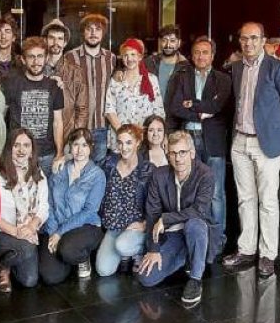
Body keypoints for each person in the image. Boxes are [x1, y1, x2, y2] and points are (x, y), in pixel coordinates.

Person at [223, 22, 280, 278]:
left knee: (267, 201)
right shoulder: (235, 68)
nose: (249, 43)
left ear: (263, 40)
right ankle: (246, 250)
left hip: (266, 145)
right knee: (245, 199)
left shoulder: (278, 68)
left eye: (254, 38)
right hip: (240, 142)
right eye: (244, 39)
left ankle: (267, 255)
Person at [137, 131, 216, 305]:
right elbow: (152, 214)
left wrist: (166, 219)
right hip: (173, 235)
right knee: (146, 278)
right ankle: (187, 257)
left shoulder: (205, 174)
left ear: (192, 153)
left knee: (194, 225)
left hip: (197, 230)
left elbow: (199, 211)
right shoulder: (159, 175)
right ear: (168, 155)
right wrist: (154, 249)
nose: (178, 158)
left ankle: (195, 279)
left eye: (183, 152)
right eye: (173, 153)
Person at [164, 36, 232, 241]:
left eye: (205, 52)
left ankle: (217, 238)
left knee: (216, 193)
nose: (200, 56)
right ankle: (195, 237)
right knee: (191, 190)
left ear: (212, 56)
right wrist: (200, 112)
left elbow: (219, 107)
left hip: (214, 142)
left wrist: (192, 103)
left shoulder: (223, 79)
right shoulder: (181, 77)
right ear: (191, 55)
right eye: (197, 52)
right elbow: (174, 107)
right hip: (188, 140)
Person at [39, 128, 105, 284]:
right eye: (76, 144)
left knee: (67, 250)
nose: (80, 150)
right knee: (50, 276)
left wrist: (59, 233)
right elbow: (49, 201)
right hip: (58, 225)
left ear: (91, 147)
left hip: (85, 225)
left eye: (84, 145)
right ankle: (66, 258)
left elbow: (89, 211)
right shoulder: (59, 169)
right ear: (70, 146)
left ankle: (81, 257)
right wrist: (53, 230)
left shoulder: (97, 175)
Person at [95, 124, 153, 277]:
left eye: (128, 142)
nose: (124, 147)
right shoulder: (109, 164)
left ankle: (138, 251)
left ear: (137, 143)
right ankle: (124, 252)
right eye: (120, 142)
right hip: (113, 226)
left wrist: (145, 223)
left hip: (134, 227)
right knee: (103, 270)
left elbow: (156, 202)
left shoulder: (147, 169)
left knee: (123, 245)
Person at [3, 37, 66, 177]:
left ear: (46, 58)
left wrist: (60, 152)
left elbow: (58, 122)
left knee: (45, 197)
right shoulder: (12, 84)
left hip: (46, 155)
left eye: (40, 56)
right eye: (31, 57)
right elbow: (2, 117)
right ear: (23, 60)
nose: (36, 62)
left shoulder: (54, 86)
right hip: (19, 154)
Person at [0, 129, 48, 292]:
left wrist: (31, 226)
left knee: (30, 280)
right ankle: (1, 265)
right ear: (9, 148)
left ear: (32, 150)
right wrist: (16, 231)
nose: (21, 150)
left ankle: (14, 258)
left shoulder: (38, 173)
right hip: (1, 232)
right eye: (16, 145)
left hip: (27, 231)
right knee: (26, 248)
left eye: (26, 145)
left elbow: (44, 207)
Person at [63, 13, 116, 170]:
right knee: (75, 168)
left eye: (97, 29)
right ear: (83, 32)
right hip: (78, 126)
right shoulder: (70, 57)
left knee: (97, 169)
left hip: (101, 125)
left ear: (103, 33)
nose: (93, 33)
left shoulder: (111, 58)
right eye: (89, 29)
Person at [105, 38, 166, 162]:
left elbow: (158, 111)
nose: (129, 59)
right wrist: (124, 134)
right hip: (120, 141)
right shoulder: (116, 80)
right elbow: (109, 109)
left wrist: (156, 135)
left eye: (133, 54)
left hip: (143, 140)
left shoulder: (151, 79)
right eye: (125, 55)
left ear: (140, 57)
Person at [43, 20, 89, 134]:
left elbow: (82, 109)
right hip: (41, 137)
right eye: (51, 38)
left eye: (60, 39)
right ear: (44, 40)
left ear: (65, 43)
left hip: (66, 135)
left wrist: (75, 135)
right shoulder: (35, 69)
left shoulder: (76, 72)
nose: (55, 42)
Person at [144, 25, 189, 100]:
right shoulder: (149, 62)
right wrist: (119, 72)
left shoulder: (186, 67)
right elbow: (131, 69)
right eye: (164, 40)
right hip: (152, 109)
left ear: (179, 43)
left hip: (175, 111)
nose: (168, 45)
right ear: (160, 42)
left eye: (172, 41)